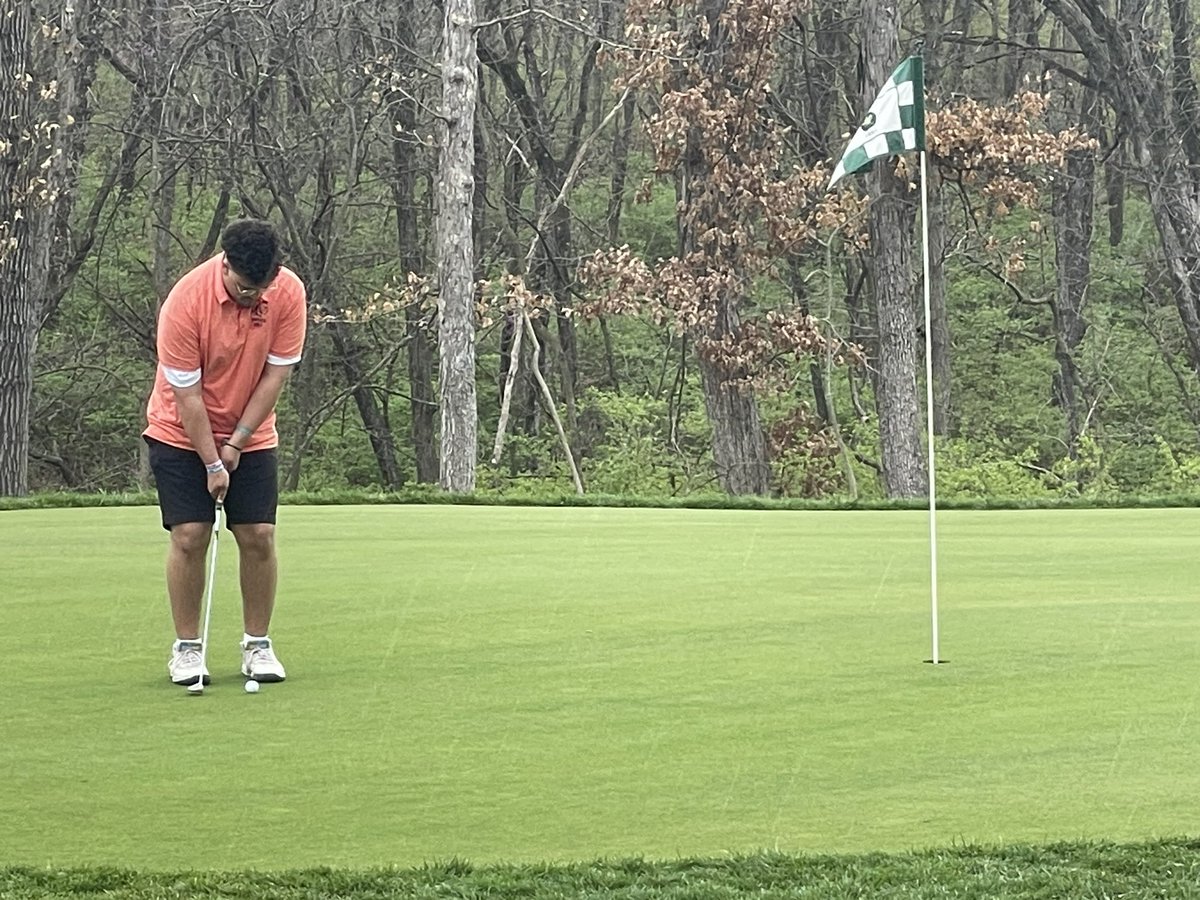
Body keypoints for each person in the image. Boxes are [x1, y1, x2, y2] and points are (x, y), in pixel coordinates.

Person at [143, 219, 307, 687]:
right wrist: (213, 462)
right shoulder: (185, 301)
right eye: (243, 286)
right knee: (191, 535)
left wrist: (236, 443)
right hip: (179, 430)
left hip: (250, 432)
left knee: (257, 534)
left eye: (261, 288)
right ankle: (187, 649)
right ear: (225, 264)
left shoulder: (289, 293)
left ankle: (257, 644)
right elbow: (187, 396)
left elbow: (275, 376)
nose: (252, 296)